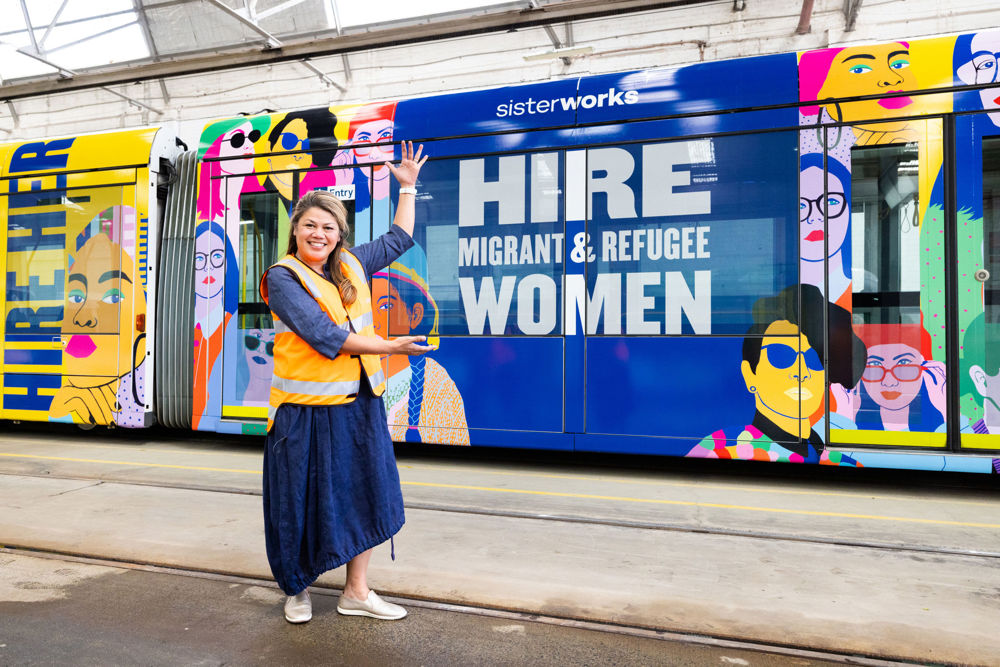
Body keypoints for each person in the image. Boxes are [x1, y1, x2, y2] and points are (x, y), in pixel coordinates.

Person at [258, 142, 430, 624]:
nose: (319, 233)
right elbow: (324, 335)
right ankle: (297, 590)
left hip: (358, 405)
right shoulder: (283, 278)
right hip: (303, 411)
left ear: (339, 235)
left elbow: (398, 237)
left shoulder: (351, 263)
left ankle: (356, 591)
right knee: (299, 502)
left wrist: (408, 187)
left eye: (328, 227)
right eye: (310, 225)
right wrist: (392, 348)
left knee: (368, 492)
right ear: (296, 230)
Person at [688, 284, 864, 465]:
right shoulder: (721, 449)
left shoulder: (836, 458)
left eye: (813, 360)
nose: (802, 373)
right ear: (750, 376)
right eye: (781, 356)